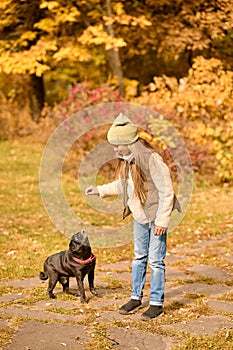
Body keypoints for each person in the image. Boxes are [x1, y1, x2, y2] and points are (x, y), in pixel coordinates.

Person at [85, 113, 178, 320]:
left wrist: (163, 221)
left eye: (117, 145)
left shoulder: (151, 159)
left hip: (156, 217)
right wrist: (99, 190)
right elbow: (123, 185)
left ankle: (156, 303)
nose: (115, 149)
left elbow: (167, 191)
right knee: (139, 257)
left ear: (128, 142)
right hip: (140, 216)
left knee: (155, 261)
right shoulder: (127, 161)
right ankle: (135, 297)